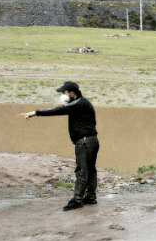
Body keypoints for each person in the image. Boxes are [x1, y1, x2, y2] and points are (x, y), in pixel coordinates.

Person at [22, 80, 99, 211]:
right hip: (91, 141)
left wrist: (36, 113)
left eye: (64, 92)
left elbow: (58, 110)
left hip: (85, 142)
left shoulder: (79, 104)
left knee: (82, 171)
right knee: (90, 170)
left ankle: (77, 200)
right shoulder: (81, 103)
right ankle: (90, 197)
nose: (63, 95)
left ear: (72, 93)